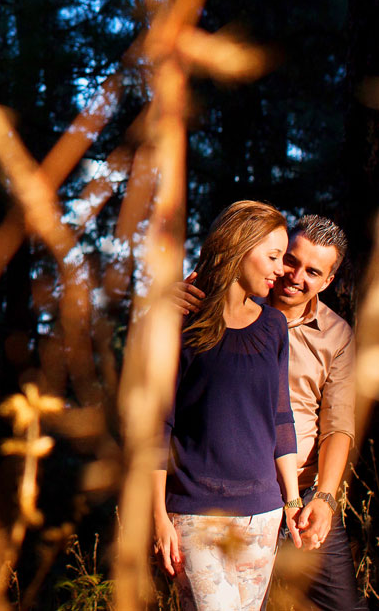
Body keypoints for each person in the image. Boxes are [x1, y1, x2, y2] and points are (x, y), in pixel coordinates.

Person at [177, 215, 360, 611]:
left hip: (304, 493)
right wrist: (171, 299)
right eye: (290, 260)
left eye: (313, 271)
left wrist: (324, 500)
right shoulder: (229, 301)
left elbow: (338, 426)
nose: (294, 275)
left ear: (328, 281)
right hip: (231, 490)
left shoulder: (337, 335)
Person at [152, 200, 304, 608]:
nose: (281, 269)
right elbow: (156, 425)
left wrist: (291, 501)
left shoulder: (274, 326)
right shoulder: (181, 322)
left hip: (263, 513)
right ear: (239, 246)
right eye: (273, 256)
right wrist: (158, 516)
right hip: (197, 516)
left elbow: (280, 417)